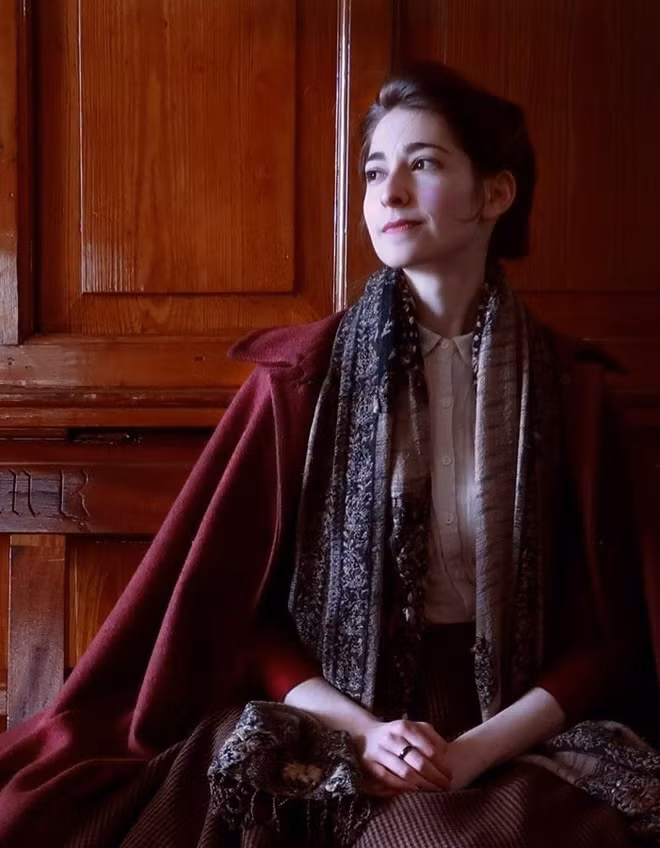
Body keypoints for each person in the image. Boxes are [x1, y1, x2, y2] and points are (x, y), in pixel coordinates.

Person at [0, 63, 657, 848]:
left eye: (423, 164)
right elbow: (236, 612)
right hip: (325, 715)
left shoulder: (569, 391)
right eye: (375, 171)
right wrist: (365, 732)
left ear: (495, 194)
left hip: (508, 730)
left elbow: (603, 636)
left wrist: (474, 751)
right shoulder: (300, 380)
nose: (390, 193)